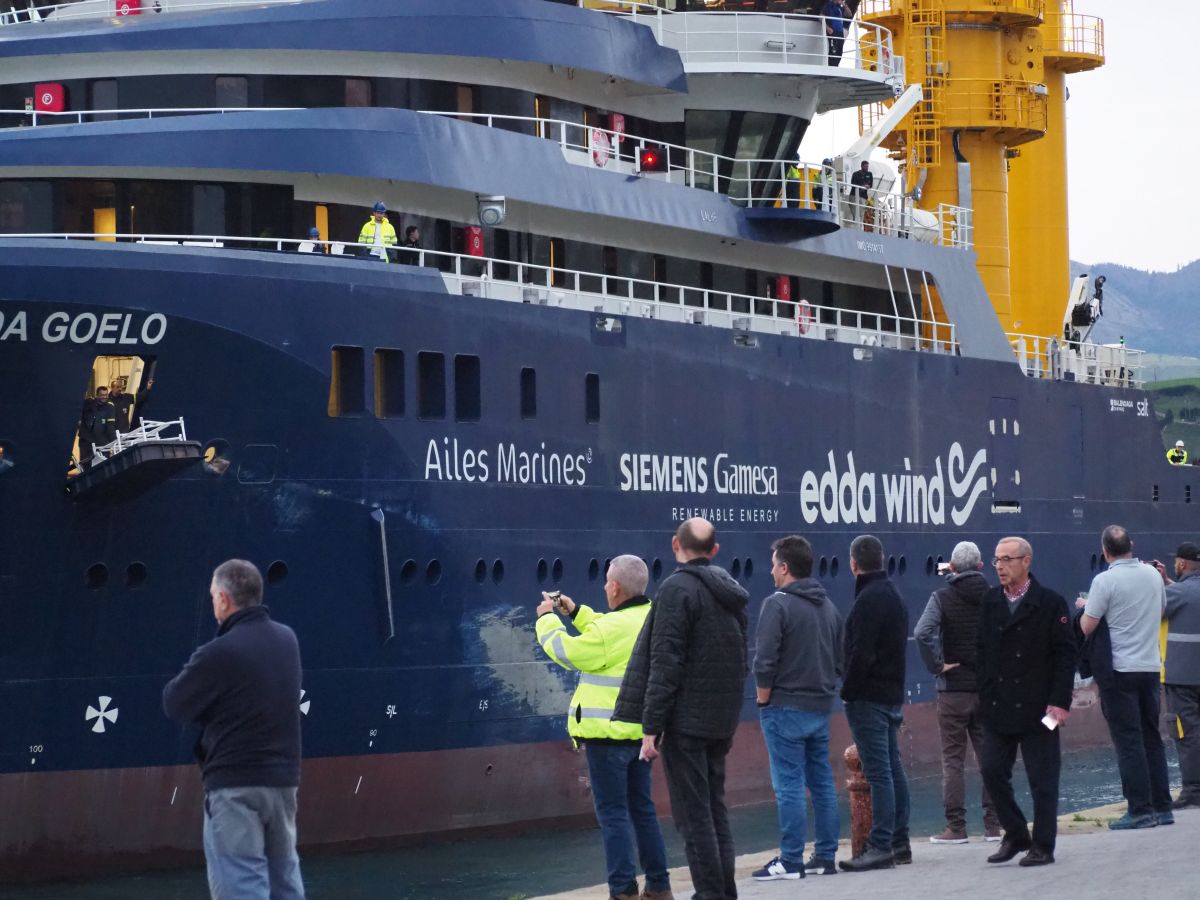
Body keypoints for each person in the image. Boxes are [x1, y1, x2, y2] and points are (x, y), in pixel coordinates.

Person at [614, 518, 749, 900]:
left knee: (694, 818)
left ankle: (709, 893)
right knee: (714, 808)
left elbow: (665, 663)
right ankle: (723, 891)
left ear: (675, 545)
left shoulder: (676, 589)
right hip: (721, 720)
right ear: (716, 550)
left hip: (687, 723)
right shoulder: (731, 592)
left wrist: (650, 728)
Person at [162, 559, 305, 900]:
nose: (212, 603)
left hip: (234, 785)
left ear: (224, 599)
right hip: (282, 783)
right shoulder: (288, 640)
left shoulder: (218, 653)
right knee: (284, 880)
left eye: (213, 596)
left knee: (241, 884)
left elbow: (175, 703)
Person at [533, 556, 673, 900]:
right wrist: (575, 611)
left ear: (614, 587)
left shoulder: (612, 630)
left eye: (607, 582)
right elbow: (608, 629)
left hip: (606, 738)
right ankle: (658, 886)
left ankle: (622, 890)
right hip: (643, 735)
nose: (604, 586)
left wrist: (547, 620)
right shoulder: (652, 617)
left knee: (613, 816)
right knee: (643, 811)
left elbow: (569, 652)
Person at [978, 537, 1075, 867]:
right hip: (998, 706)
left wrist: (1060, 702)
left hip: (1039, 707)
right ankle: (1017, 833)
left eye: (1007, 559)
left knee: (1043, 780)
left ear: (1027, 561)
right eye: (996, 560)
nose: (1000, 566)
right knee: (990, 771)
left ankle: (1043, 846)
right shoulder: (990, 602)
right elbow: (982, 651)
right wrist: (984, 694)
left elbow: (1065, 655)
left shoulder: (1050, 603)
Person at [751, 535, 843, 881]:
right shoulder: (829, 607)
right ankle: (825, 856)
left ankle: (790, 860)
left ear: (785, 567)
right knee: (822, 782)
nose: (771, 570)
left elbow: (765, 660)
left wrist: (762, 700)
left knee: (788, 784)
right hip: (820, 707)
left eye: (774, 564)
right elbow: (839, 659)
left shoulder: (777, 605)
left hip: (784, 707)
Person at [1079, 525, 1172, 828]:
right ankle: (1162, 807)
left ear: (1105, 551)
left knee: (1128, 741)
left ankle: (1140, 810)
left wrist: (1083, 607)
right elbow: (1159, 612)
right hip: (1150, 668)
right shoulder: (1152, 576)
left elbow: (1087, 627)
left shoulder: (1104, 581)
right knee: (1152, 738)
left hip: (1119, 671)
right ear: (1131, 545)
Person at [914, 541, 1002, 844]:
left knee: (953, 760)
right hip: (988, 691)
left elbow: (923, 633)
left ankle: (957, 827)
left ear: (952, 566)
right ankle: (993, 826)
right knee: (989, 756)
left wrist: (937, 666)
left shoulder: (941, 597)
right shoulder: (996, 596)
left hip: (953, 691)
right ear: (980, 567)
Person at [839, 534, 910, 872]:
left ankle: (881, 845)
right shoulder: (893, 594)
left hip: (869, 697)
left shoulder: (868, 599)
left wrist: (847, 691)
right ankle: (900, 841)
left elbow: (861, 653)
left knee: (879, 771)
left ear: (854, 564)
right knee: (893, 768)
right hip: (891, 694)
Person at [1156, 542, 1200, 810]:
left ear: (1182, 564)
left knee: (1187, 734)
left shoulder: (1177, 594)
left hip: (1182, 676)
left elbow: (1153, 610)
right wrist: (1168, 582)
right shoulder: (1183, 591)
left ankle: (1194, 790)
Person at [80, 386, 117, 456]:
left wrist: (115, 442)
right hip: (86, 442)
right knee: (85, 464)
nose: (104, 397)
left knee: (103, 464)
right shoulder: (88, 403)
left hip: (102, 442)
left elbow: (110, 427)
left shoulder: (110, 407)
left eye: (106, 395)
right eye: (102, 395)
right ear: (97, 395)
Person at [821, 0, 851, 67]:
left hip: (840, 32)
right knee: (833, 50)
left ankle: (836, 66)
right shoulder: (829, 4)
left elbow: (849, 15)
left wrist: (844, 5)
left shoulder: (840, 7)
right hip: (832, 31)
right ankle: (832, 67)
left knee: (840, 51)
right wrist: (827, 28)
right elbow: (821, 16)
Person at [849, 161, 873, 227]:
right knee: (855, 213)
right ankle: (856, 227)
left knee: (861, 214)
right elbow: (852, 183)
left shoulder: (869, 174)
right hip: (854, 195)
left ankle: (860, 228)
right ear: (861, 166)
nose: (867, 168)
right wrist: (861, 186)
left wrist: (868, 186)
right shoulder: (855, 174)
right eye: (865, 166)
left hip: (863, 197)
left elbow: (871, 184)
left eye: (867, 166)